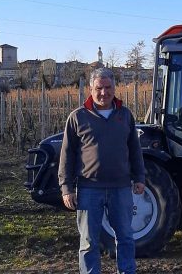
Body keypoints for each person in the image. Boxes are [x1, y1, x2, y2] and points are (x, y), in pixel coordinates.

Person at [58, 67, 146, 274]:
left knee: (125, 237)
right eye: (99, 88)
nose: (104, 93)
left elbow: (134, 149)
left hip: (121, 188)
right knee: (89, 241)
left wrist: (139, 177)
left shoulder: (124, 115)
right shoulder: (77, 117)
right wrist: (66, 188)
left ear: (114, 88)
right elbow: (67, 155)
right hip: (89, 188)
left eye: (108, 87)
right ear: (90, 89)